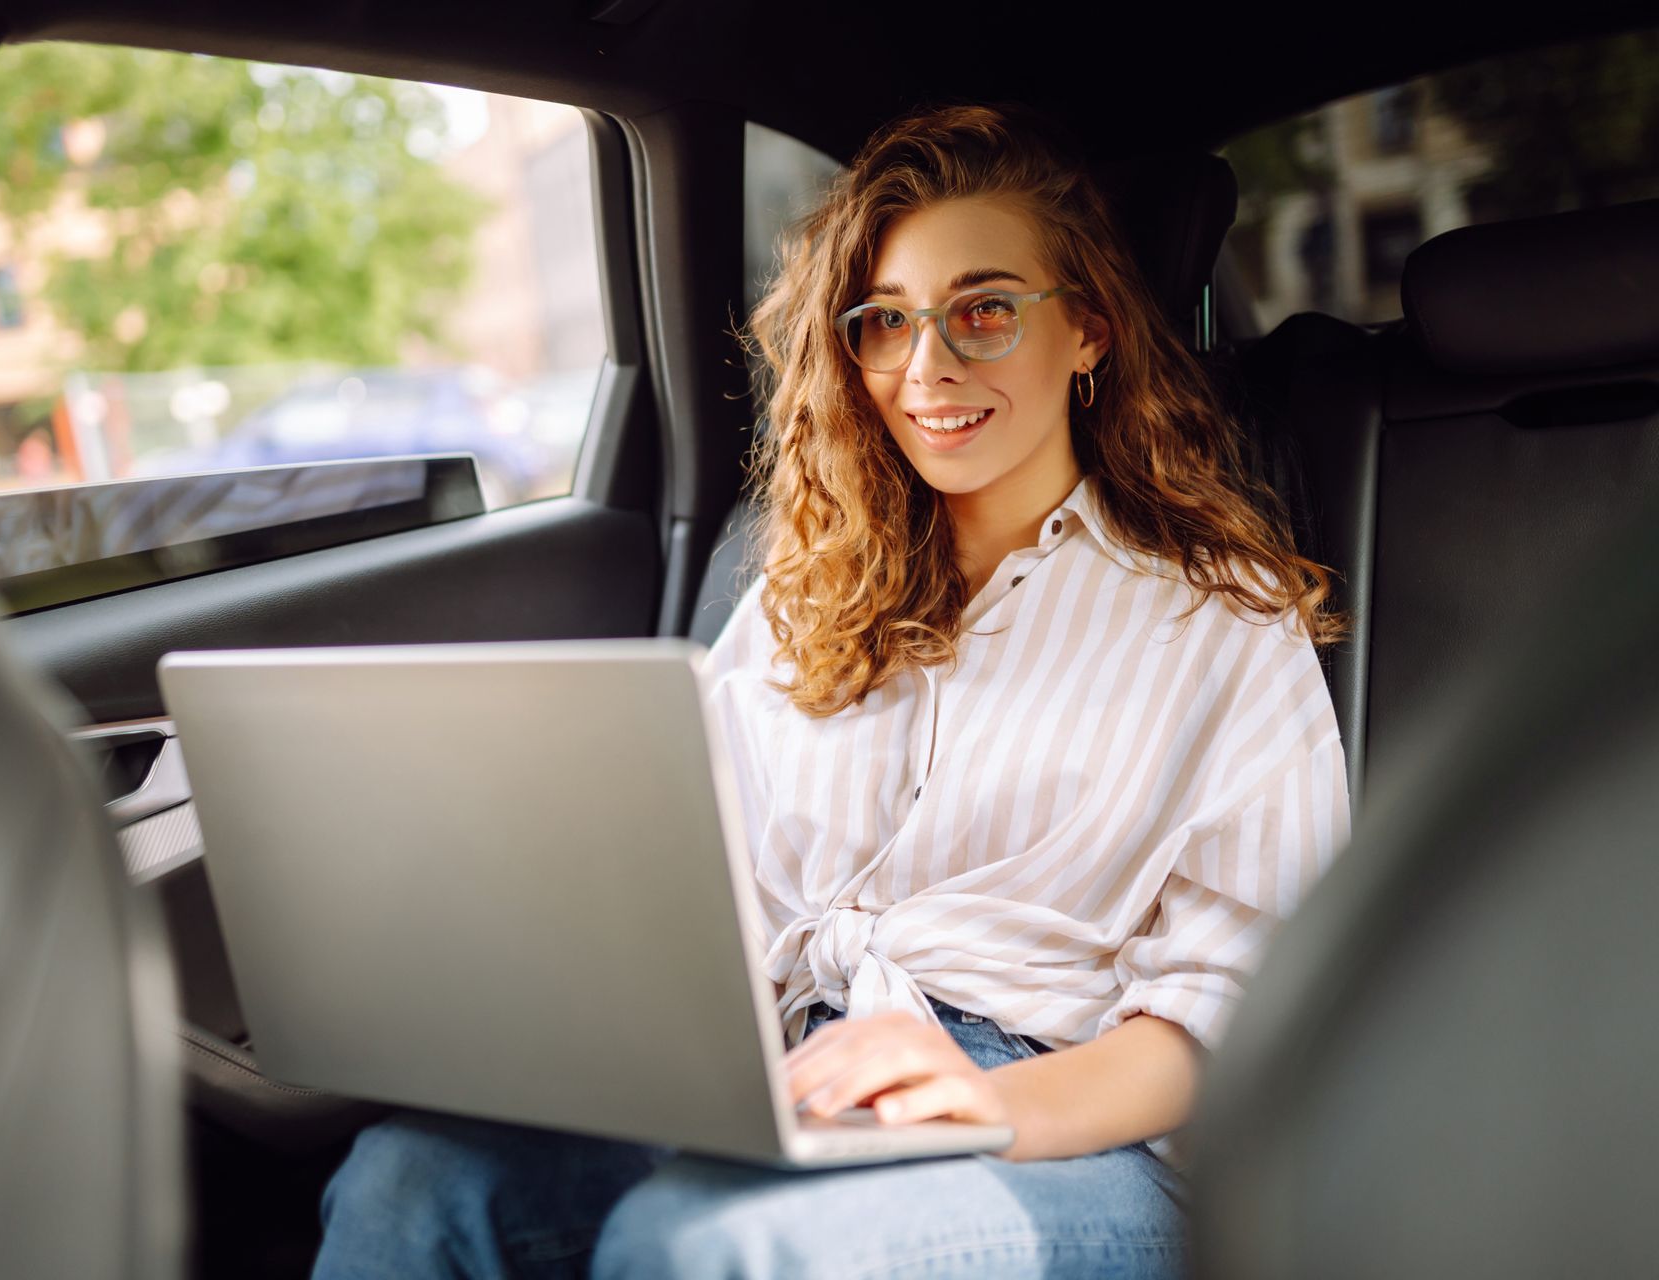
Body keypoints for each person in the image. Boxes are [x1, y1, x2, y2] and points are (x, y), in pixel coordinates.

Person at [310, 103, 1351, 1279]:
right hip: (801, 1073)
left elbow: (1231, 1026)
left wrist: (980, 1097)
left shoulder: (1220, 616)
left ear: (1092, 332)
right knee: (410, 1183)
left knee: (711, 1246)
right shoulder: (800, 600)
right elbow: (694, 901)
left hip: (1073, 1125)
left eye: (986, 311)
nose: (928, 367)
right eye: (885, 324)